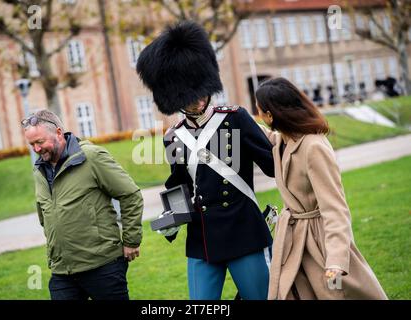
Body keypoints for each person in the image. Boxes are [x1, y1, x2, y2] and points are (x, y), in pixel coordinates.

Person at [136, 21, 275, 300]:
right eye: (189, 97)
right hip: (202, 239)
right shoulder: (173, 137)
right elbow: (181, 184)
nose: (198, 101)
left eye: (201, 94)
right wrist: (171, 219)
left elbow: (273, 165)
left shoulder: (236, 118)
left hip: (243, 232)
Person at [255, 77, 388, 300]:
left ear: (271, 115)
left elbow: (335, 208)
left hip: (320, 243)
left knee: (334, 293)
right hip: (293, 240)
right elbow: (263, 134)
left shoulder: (314, 147)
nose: (258, 114)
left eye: (259, 110)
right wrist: (231, 116)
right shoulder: (283, 140)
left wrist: (336, 260)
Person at [22, 110, 143, 300]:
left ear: (59, 133)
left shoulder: (92, 157)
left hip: (103, 267)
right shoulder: (39, 170)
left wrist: (131, 240)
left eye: (40, 142)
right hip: (62, 272)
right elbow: (44, 216)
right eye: (31, 145)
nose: (36, 149)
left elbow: (130, 194)